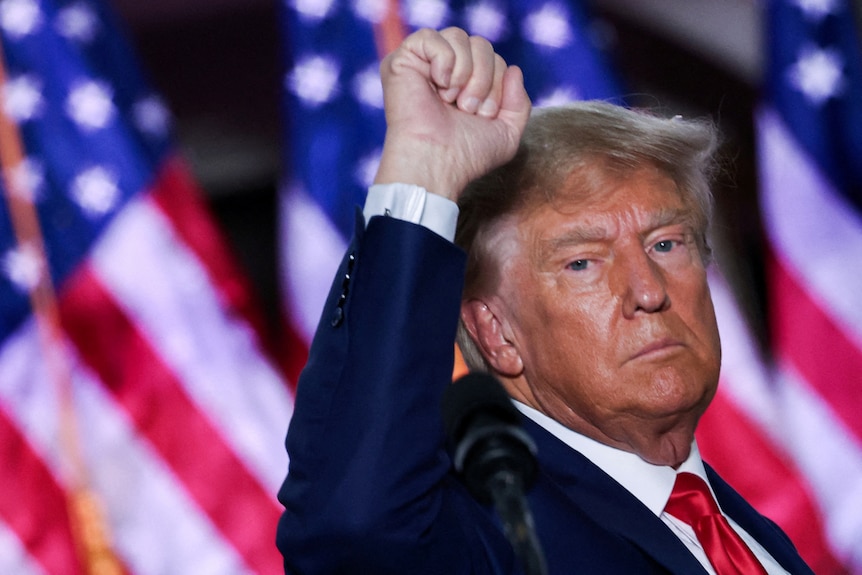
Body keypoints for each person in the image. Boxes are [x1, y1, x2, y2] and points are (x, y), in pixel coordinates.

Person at [276, 27, 814, 574]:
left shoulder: (753, 537)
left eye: (666, 244)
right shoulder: (491, 532)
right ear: (496, 334)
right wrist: (425, 170)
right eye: (582, 262)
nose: (649, 291)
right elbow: (354, 532)